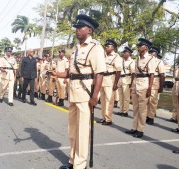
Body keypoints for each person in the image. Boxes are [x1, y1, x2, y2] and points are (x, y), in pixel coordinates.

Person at [50, 14, 107, 169]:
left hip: (85, 94)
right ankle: (73, 160)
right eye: (76, 27)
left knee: (82, 131)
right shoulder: (76, 48)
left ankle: (80, 165)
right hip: (74, 93)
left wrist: (95, 96)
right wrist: (57, 74)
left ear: (89, 30)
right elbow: (71, 72)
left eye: (80, 27)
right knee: (73, 130)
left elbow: (100, 73)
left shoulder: (95, 47)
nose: (77, 30)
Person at [125, 38, 155, 138]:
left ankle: (140, 129)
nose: (138, 47)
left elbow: (151, 75)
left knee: (142, 109)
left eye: (140, 45)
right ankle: (134, 128)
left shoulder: (150, 59)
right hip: (136, 84)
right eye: (138, 46)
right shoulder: (137, 58)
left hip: (144, 85)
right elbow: (136, 74)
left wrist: (150, 88)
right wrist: (132, 86)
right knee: (135, 108)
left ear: (146, 47)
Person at [97, 39, 122, 126]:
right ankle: (103, 117)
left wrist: (115, 84)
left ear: (113, 47)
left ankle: (108, 119)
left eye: (108, 46)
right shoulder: (103, 56)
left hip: (110, 79)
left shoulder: (116, 57)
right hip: (103, 79)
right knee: (103, 100)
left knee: (109, 100)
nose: (106, 47)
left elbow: (118, 71)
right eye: (106, 46)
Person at [146, 46, 165, 125]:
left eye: (152, 53)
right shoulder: (146, 60)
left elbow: (162, 75)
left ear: (156, 54)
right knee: (146, 100)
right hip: (146, 81)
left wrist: (161, 86)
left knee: (153, 101)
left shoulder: (159, 62)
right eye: (150, 52)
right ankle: (146, 115)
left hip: (155, 82)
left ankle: (151, 117)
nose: (151, 54)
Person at [115, 47, 135, 117]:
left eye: (125, 52)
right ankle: (121, 110)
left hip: (127, 80)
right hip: (120, 79)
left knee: (126, 97)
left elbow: (133, 74)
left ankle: (125, 111)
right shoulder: (121, 61)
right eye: (123, 52)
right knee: (120, 96)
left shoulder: (132, 62)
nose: (124, 54)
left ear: (129, 53)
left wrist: (132, 84)